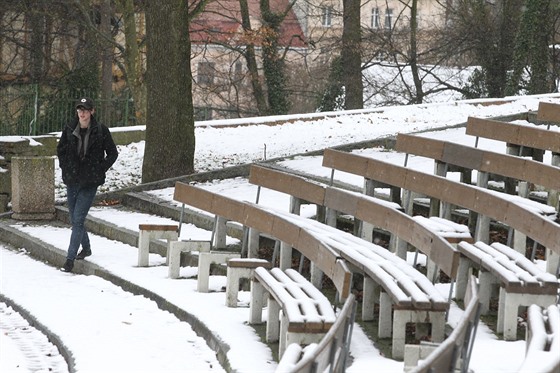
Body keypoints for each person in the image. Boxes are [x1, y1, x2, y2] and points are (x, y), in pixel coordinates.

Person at [57, 97, 118, 272]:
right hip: (72, 180)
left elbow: (113, 153)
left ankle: (69, 260)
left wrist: (100, 169)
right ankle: (87, 248)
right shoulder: (69, 129)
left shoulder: (101, 131)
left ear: (92, 111)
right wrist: (65, 167)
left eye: (85, 110)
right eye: (79, 110)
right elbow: (61, 150)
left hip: (90, 181)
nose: (82, 113)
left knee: (77, 220)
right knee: (74, 217)